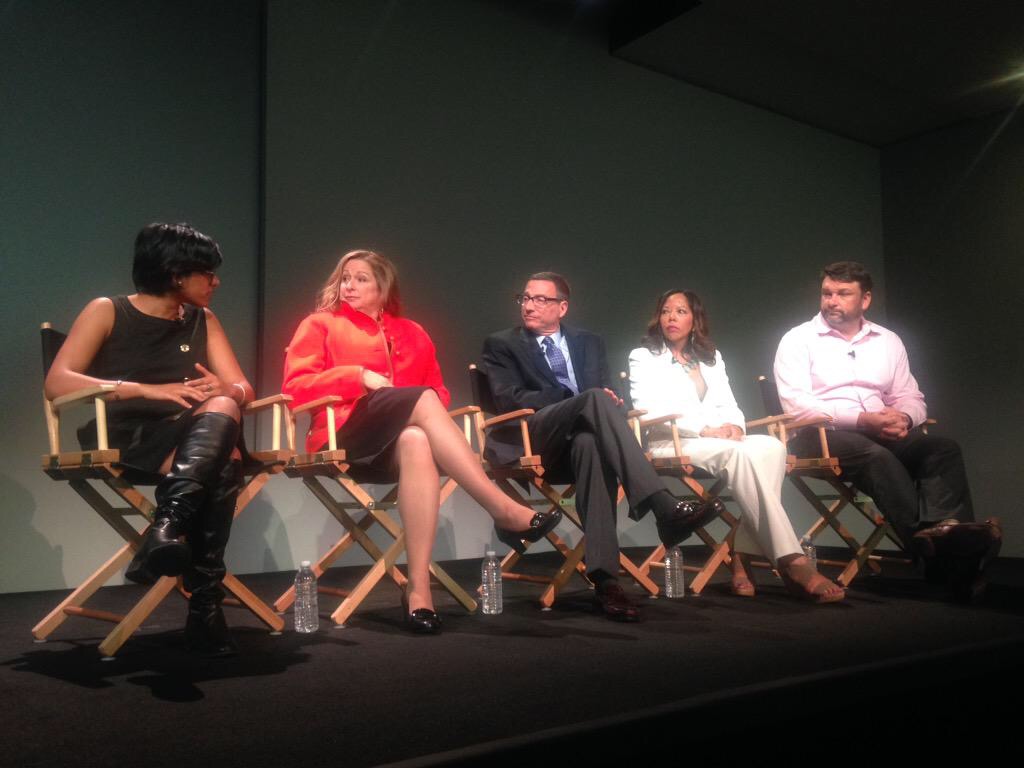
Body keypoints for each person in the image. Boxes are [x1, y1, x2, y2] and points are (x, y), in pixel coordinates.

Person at [281, 250, 561, 634]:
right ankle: (501, 509)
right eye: (345, 278)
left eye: (361, 279)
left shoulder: (413, 331)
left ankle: (418, 591)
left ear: (383, 287)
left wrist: (413, 406)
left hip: (395, 443)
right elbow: (295, 388)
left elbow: (439, 392)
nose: (349, 286)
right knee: (421, 400)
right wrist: (357, 376)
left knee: (416, 437)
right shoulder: (320, 324)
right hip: (342, 433)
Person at [45, 222, 254, 656]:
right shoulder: (107, 310)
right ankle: (205, 606)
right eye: (208, 273)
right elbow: (58, 383)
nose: (216, 282)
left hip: (192, 433)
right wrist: (146, 389)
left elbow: (243, 390)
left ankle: (166, 527)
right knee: (224, 461)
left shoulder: (204, 320)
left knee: (223, 420)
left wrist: (227, 389)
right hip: (127, 434)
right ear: (176, 275)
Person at [481, 272, 721, 622]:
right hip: (534, 435)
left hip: (579, 440)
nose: (529, 306)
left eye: (540, 299)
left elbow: (608, 393)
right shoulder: (502, 344)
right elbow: (508, 399)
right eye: (525, 298)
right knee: (592, 399)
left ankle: (606, 581)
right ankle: (662, 505)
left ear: (562, 307)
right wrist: (577, 400)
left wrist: (609, 400)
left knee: (591, 445)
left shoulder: (589, 342)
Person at [774, 261, 1001, 599]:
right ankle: (952, 563)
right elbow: (797, 406)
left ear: (865, 299)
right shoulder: (798, 340)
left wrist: (905, 418)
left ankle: (945, 538)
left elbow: (911, 396)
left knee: (942, 449)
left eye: (843, 294)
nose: (832, 301)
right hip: (819, 435)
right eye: (827, 293)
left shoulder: (888, 341)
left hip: (878, 431)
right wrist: (862, 420)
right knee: (877, 457)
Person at [629, 290, 844, 603]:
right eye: (665, 311)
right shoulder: (643, 357)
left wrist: (734, 426)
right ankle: (791, 560)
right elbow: (648, 409)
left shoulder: (711, 358)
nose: (671, 317)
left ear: (695, 319)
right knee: (741, 455)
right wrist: (704, 429)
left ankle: (743, 556)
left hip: (716, 440)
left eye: (681, 311)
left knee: (772, 448)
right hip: (673, 441)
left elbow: (728, 403)